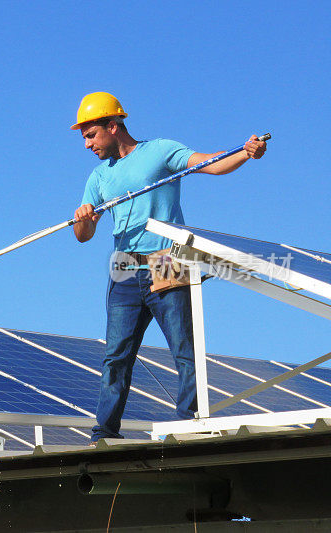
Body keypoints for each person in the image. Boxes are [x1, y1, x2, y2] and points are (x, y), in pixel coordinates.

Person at [70, 92, 267, 442]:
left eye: (90, 135)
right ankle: (104, 432)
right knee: (116, 356)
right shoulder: (99, 177)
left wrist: (244, 153)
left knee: (183, 349)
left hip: (167, 260)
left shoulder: (159, 151)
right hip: (124, 267)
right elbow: (83, 236)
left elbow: (209, 163)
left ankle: (188, 423)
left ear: (113, 126)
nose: (86, 145)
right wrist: (83, 218)